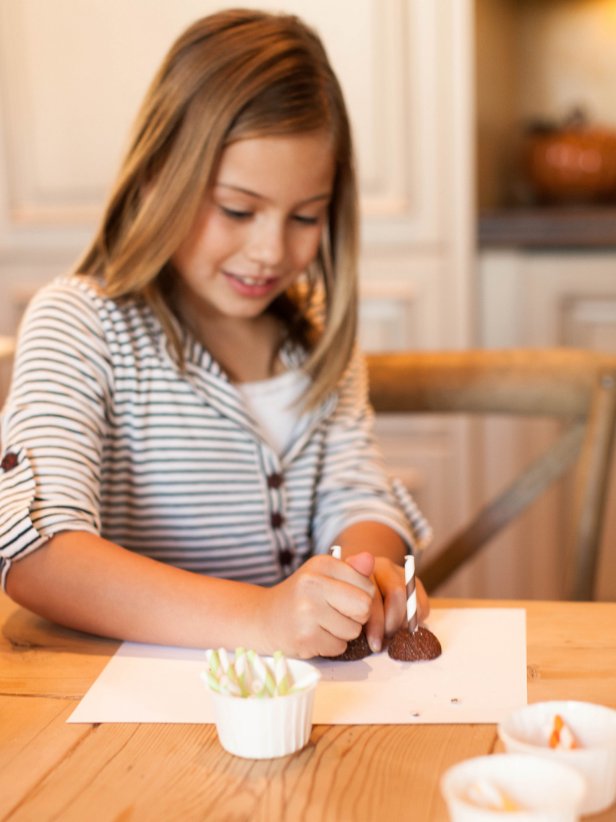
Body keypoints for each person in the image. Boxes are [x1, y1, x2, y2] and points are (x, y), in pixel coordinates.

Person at [0, 8, 432, 659]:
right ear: (156, 179)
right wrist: (262, 616)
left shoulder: (320, 352)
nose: (269, 250)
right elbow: (37, 552)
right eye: (237, 209)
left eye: (305, 217)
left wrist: (366, 572)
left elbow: (358, 498)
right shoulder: (80, 324)